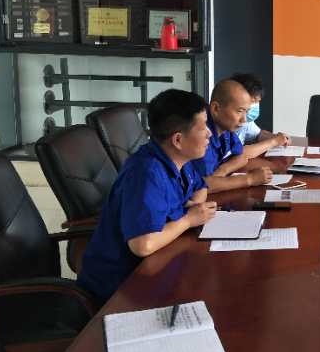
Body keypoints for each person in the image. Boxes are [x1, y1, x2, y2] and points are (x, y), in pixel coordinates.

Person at [78, 89, 218, 303]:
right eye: (203, 128)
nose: (209, 134)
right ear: (178, 140)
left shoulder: (180, 160)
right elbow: (143, 245)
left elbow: (200, 187)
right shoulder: (147, 173)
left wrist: (193, 206)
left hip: (159, 266)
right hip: (120, 290)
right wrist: (188, 220)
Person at [193, 79, 273, 192]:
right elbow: (200, 187)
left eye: (246, 112)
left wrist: (222, 171)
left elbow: (242, 156)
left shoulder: (226, 129)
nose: (244, 120)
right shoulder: (201, 134)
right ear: (216, 109)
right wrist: (250, 179)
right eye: (239, 111)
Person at [229, 72, 291, 156]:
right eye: (253, 101)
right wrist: (274, 141)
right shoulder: (227, 122)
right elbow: (240, 153)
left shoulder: (245, 120)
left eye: (257, 102)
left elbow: (258, 134)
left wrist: (278, 137)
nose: (254, 106)